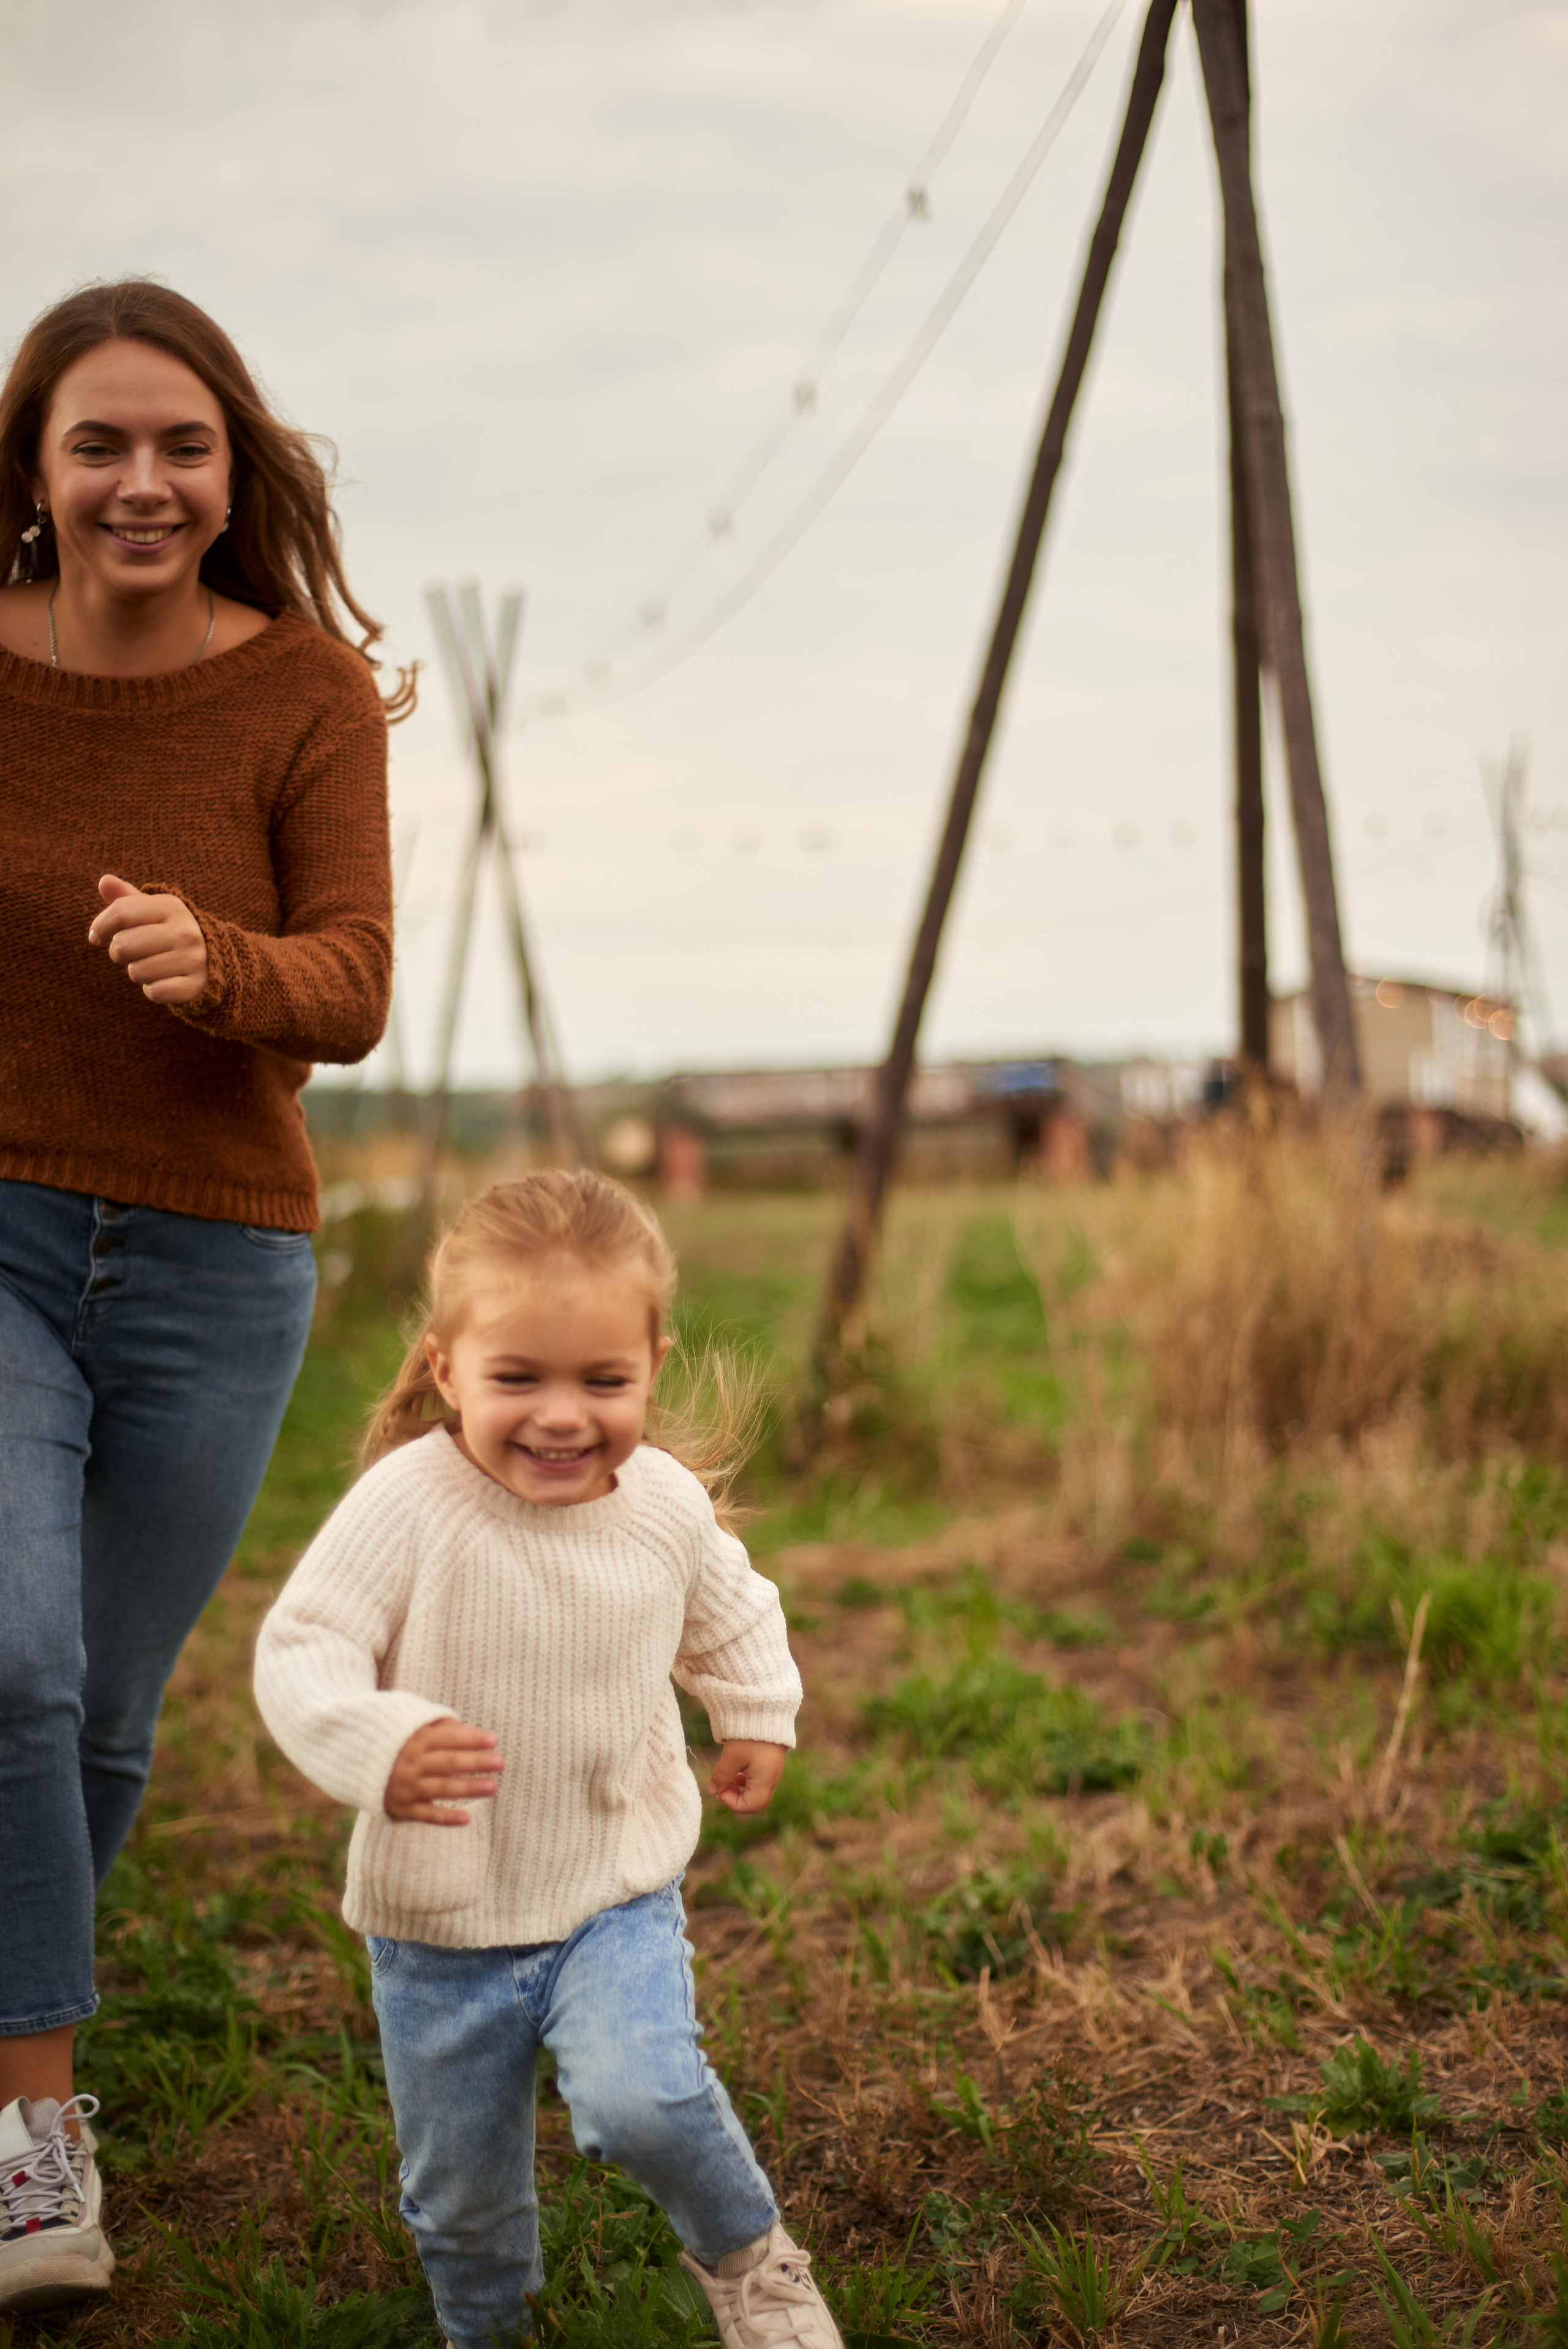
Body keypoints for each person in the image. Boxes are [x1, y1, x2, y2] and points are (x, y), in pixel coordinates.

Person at [0, 278, 407, 2316]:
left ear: (231, 468)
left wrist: (222, 964)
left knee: (99, 1711)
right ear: (37, 470)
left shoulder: (306, 685)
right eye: (102, 442)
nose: (145, 481)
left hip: (216, 1252)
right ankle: (34, 2138)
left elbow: (355, 974)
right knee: (10, 1646)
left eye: (184, 445)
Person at [253, 1173, 843, 2349]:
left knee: (642, 2098)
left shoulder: (663, 1504)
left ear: (652, 1364)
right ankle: (489, 2330)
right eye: (517, 1378)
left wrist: (755, 1711)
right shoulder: (409, 1503)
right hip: (440, 1924)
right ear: (445, 1367)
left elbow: (728, 1607)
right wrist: (381, 1742)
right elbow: (303, 1647)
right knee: (463, 2200)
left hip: (610, 1888)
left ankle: (751, 2262)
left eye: (603, 1381)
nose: (562, 1415)